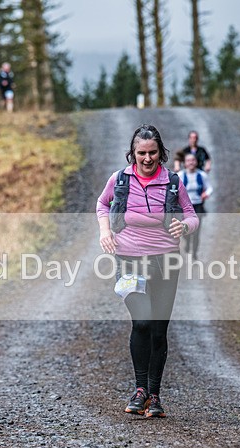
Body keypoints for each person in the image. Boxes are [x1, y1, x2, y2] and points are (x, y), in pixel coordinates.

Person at [96, 124, 199, 418]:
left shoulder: (172, 182)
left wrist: (184, 227)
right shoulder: (119, 179)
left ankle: (154, 396)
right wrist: (105, 231)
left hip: (166, 261)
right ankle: (140, 389)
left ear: (160, 153)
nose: (147, 158)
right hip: (129, 260)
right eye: (141, 153)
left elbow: (192, 216)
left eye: (152, 152)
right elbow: (102, 204)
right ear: (133, 153)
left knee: (158, 329)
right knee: (142, 321)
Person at [178, 152, 212, 260]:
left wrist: (206, 194)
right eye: (188, 161)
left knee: (197, 231)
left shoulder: (202, 175)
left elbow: (209, 188)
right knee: (186, 229)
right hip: (184, 207)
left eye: (193, 160)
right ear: (185, 163)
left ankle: (194, 253)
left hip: (198, 206)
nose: (191, 163)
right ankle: (187, 242)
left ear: (196, 162)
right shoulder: (180, 175)